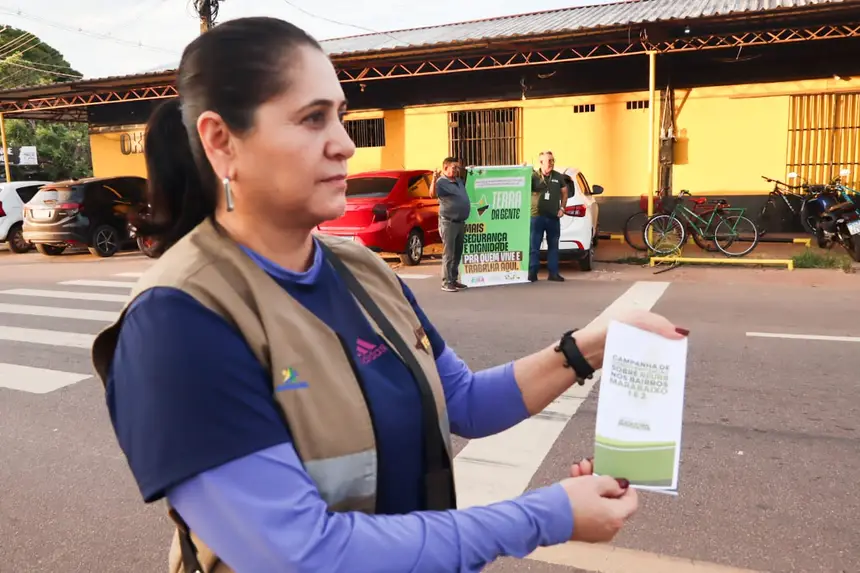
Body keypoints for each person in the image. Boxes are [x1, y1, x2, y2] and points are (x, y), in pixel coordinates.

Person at [91, 17, 688, 573]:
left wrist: (591, 346)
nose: (344, 144)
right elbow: (302, 554)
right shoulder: (178, 320)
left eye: (341, 116)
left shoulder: (361, 269)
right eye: (312, 119)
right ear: (222, 140)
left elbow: (463, 401)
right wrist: (547, 515)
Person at [429, 157, 470, 292]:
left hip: (460, 222)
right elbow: (432, 194)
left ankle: (453, 279)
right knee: (449, 253)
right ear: (445, 168)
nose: (456, 170)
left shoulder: (458, 181)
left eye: (457, 167)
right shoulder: (441, 182)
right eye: (454, 167)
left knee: (457, 252)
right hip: (448, 222)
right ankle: (446, 282)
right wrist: (434, 179)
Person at [529, 151, 570, 283]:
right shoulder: (533, 176)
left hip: (553, 217)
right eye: (549, 161)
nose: (552, 163)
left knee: (553, 246)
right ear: (541, 163)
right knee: (534, 247)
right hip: (536, 217)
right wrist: (522, 170)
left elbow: (564, 193)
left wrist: (562, 208)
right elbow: (521, 186)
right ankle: (532, 273)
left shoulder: (558, 176)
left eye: (553, 160)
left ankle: (553, 273)